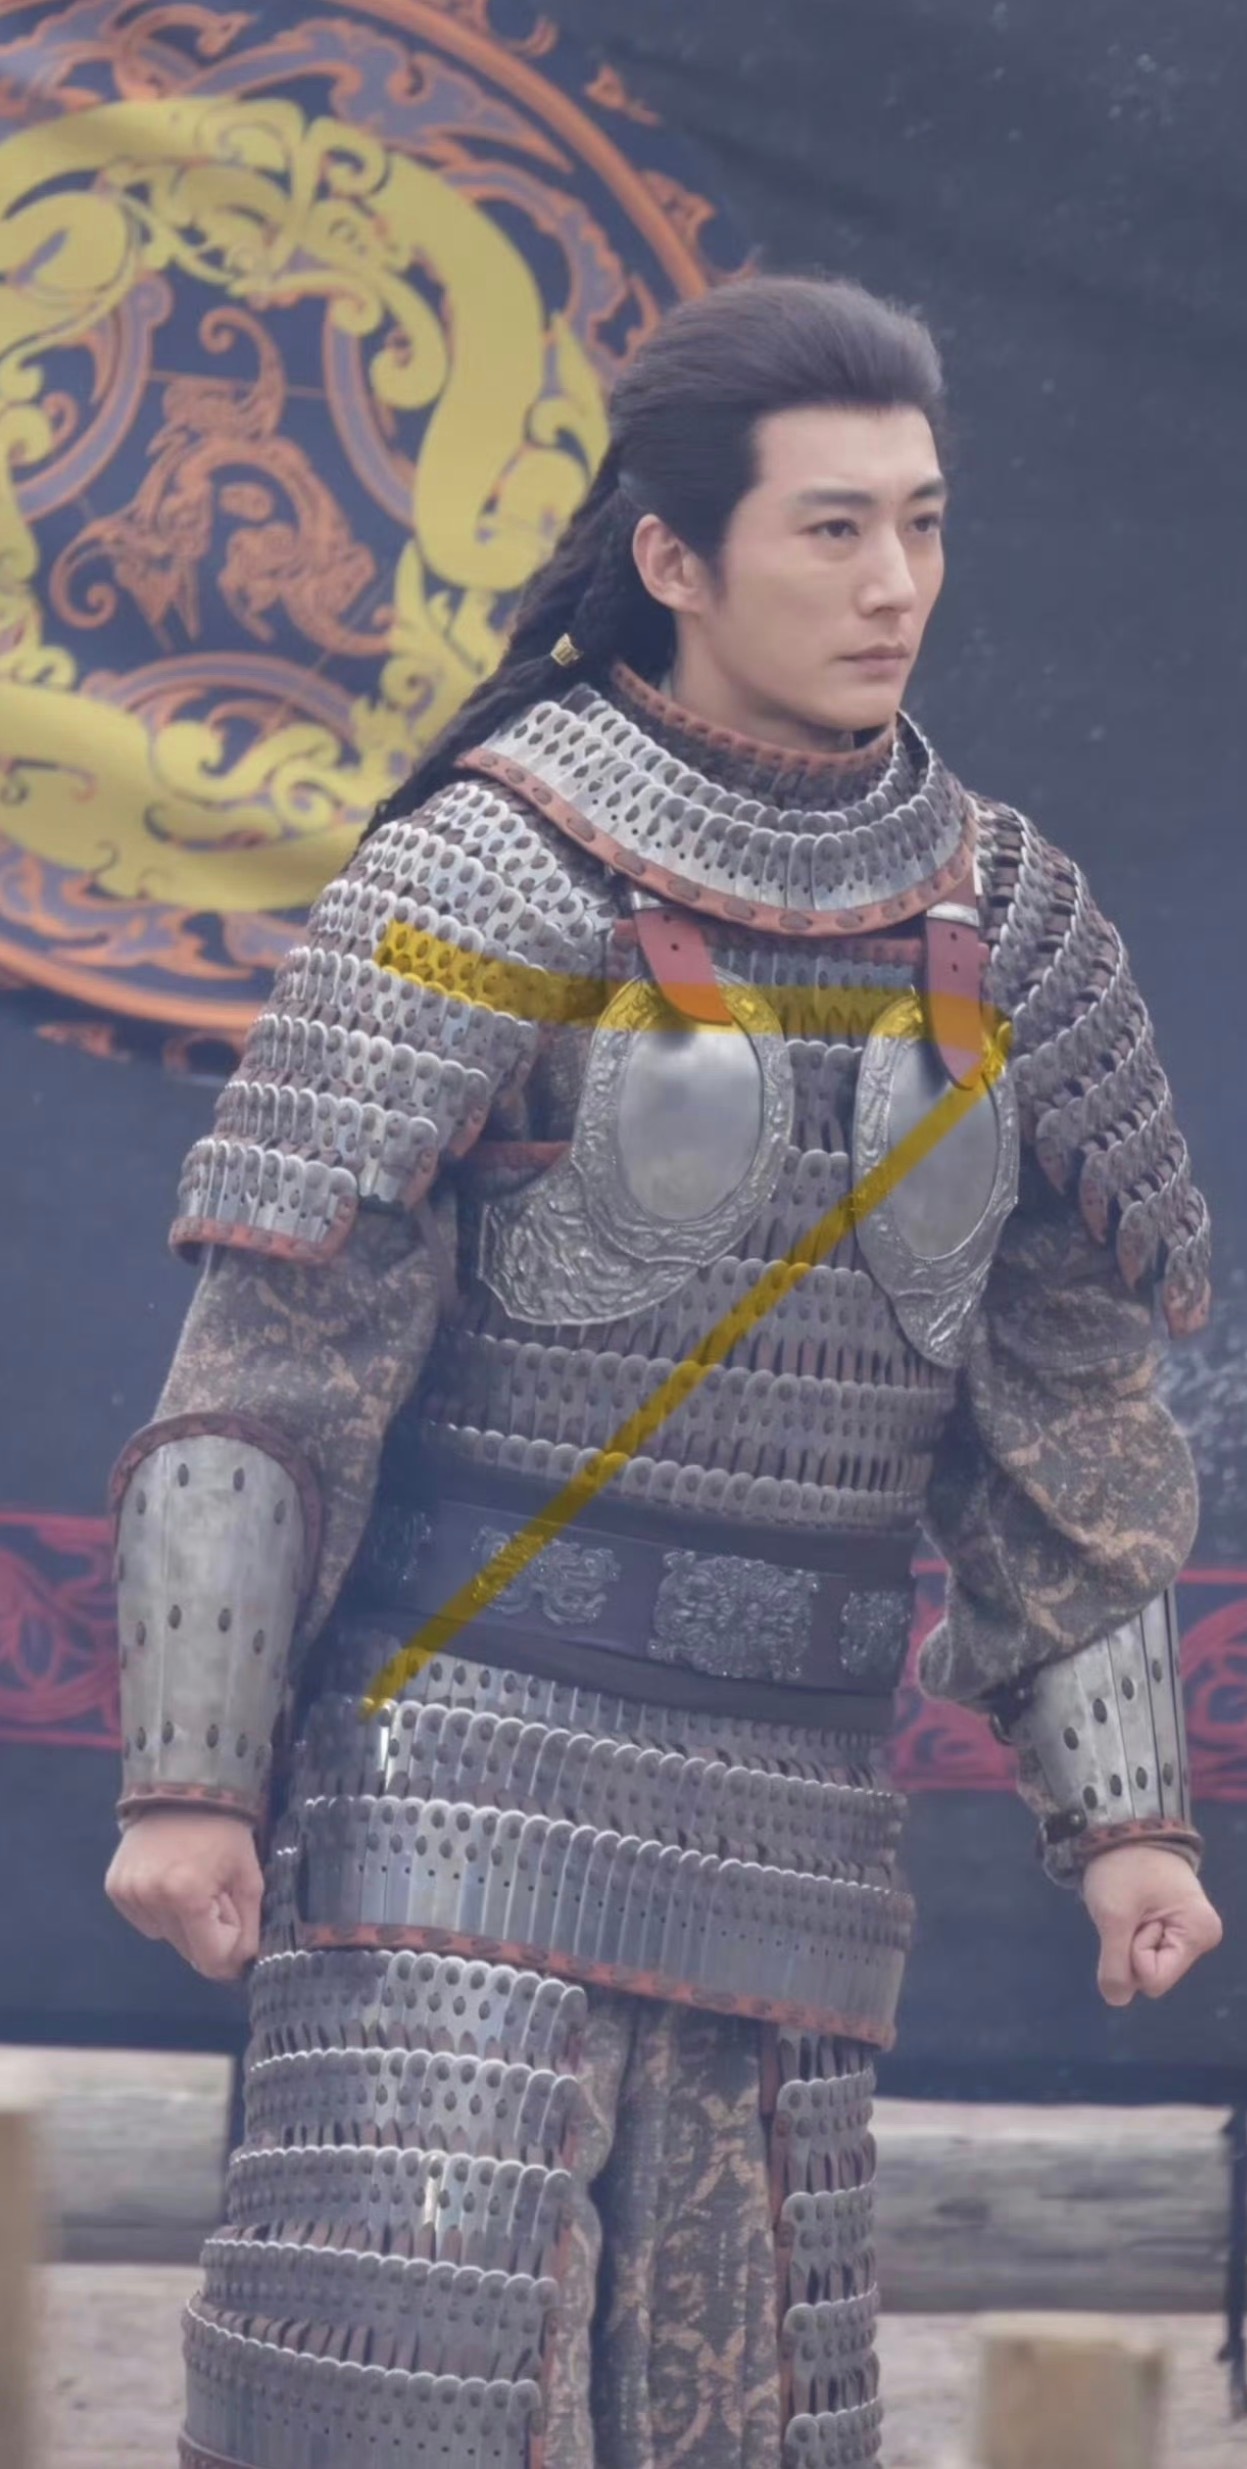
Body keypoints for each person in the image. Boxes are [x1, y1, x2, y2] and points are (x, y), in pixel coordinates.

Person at [106, 275, 1222, 2469]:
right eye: (833, 528)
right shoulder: (483, 869)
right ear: (676, 557)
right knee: (405, 2402)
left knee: (743, 2430)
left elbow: (1068, 1429)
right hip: (456, 1770)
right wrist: (190, 1772)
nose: (895, 583)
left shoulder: (1018, 931)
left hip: (790, 1815)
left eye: (922, 522)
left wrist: (1125, 1820)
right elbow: (273, 1352)